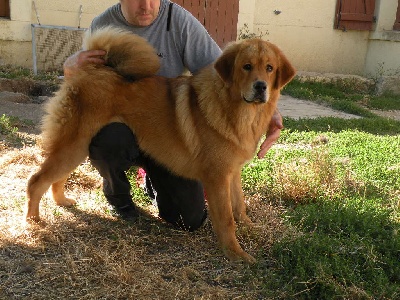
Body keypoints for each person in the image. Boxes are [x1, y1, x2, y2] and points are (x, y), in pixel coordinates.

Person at [63, 0, 283, 231]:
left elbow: (224, 74)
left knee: (188, 219)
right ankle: (119, 198)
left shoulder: (179, 21)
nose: (146, 6)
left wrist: (270, 111)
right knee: (108, 141)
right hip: (123, 124)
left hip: (167, 133)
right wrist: (69, 66)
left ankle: (151, 177)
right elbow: (86, 85)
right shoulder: (103, 24)